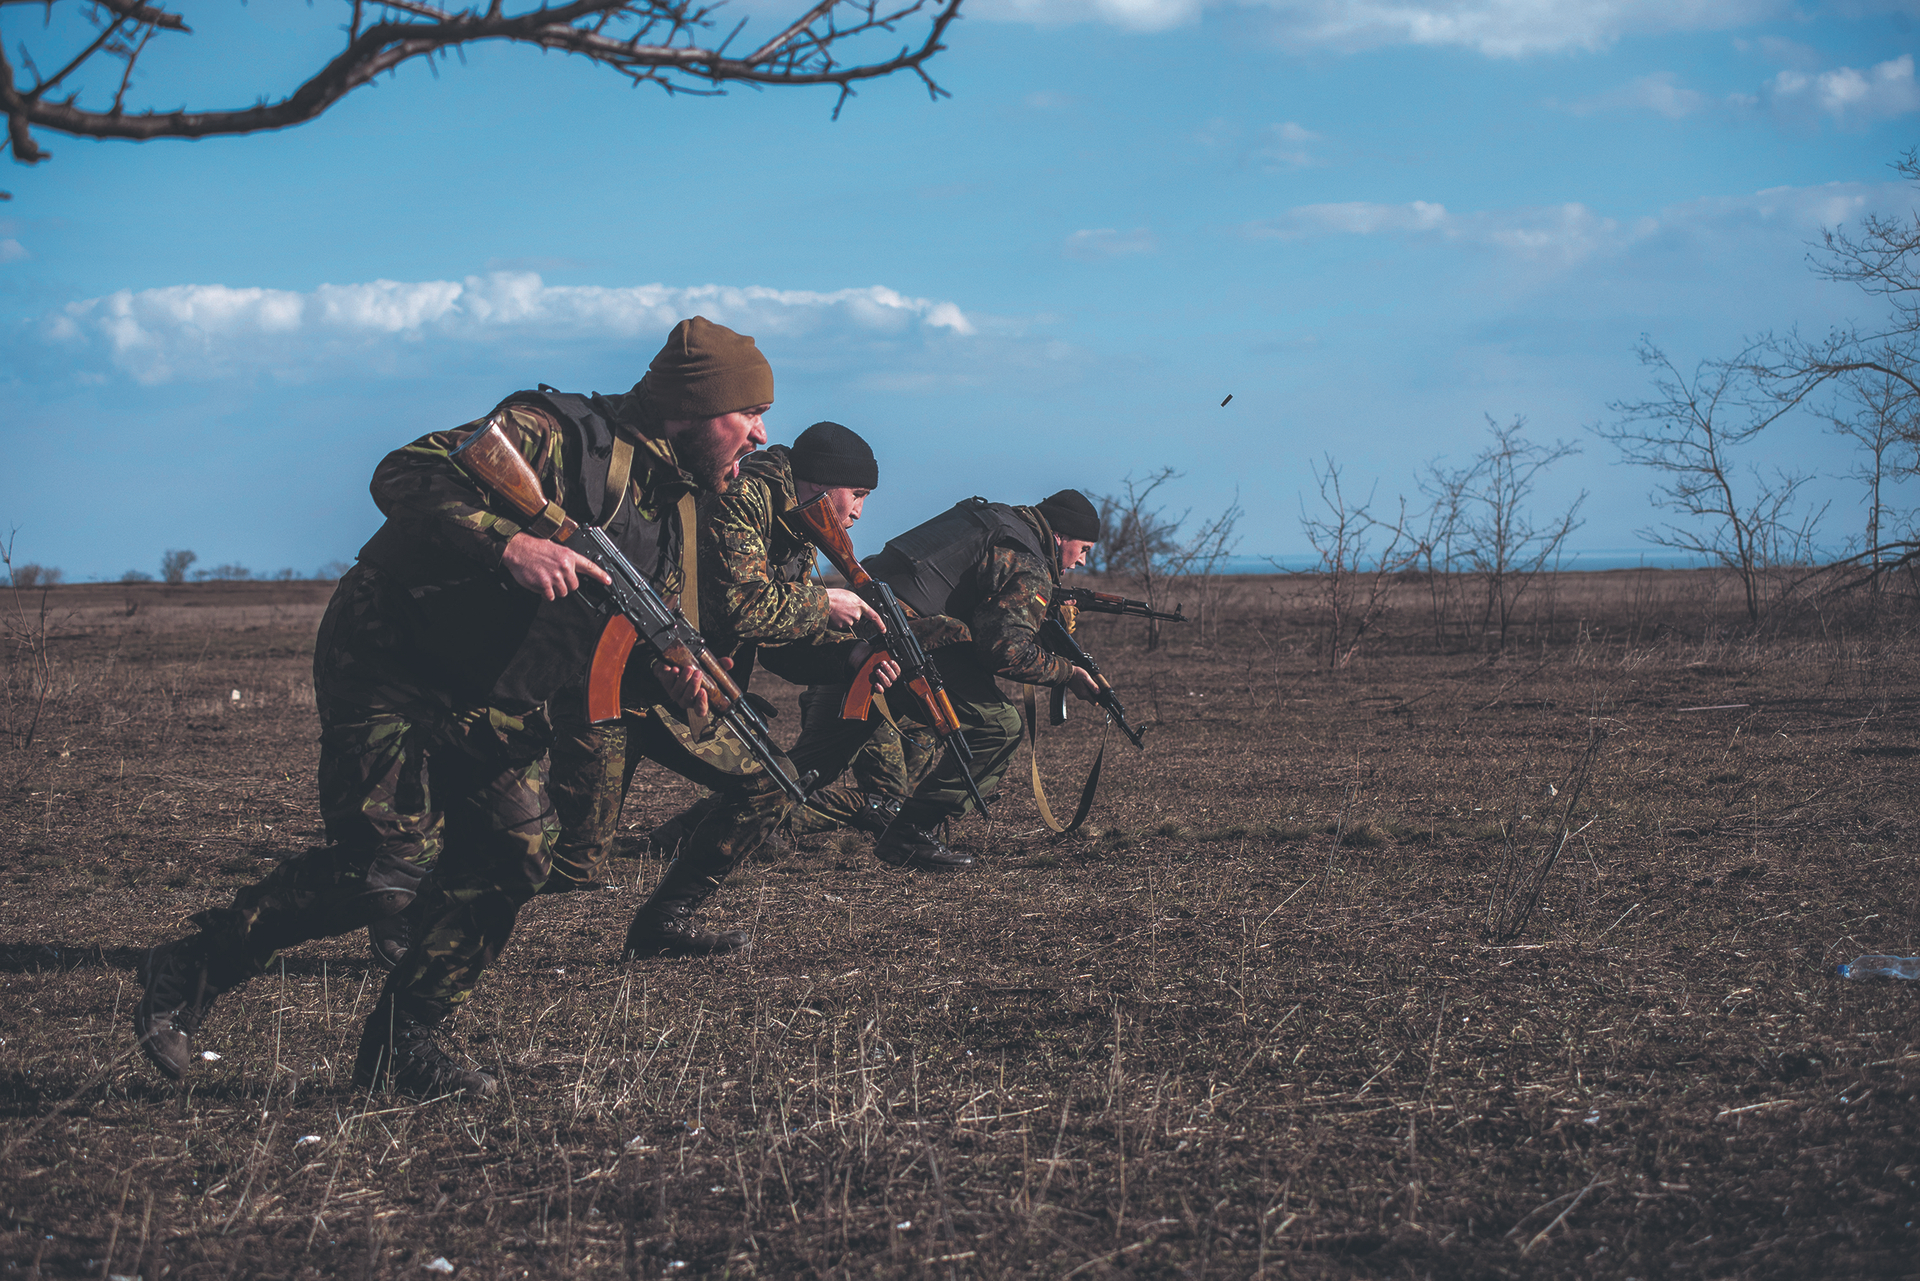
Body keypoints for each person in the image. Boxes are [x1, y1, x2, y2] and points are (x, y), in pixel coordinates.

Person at [131, 316, 803, 1097]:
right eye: (748, 413)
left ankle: (404, 1044)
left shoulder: (674, 507)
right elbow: (404, 470)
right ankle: (189, 967)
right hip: (391, 651)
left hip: (492, 685)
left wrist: (674, 678)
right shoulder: (556, 432)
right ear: (695, 403)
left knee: (516, 847)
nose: (759, 435)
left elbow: (619, 636)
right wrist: (508, 543)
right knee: (380, 867)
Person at [544, 422, 929, 924]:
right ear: (817, 484)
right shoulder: (742, 498)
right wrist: (824, 602)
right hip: (615, 684)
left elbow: (775, 647)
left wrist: (849, 657)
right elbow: (740, 607)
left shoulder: (794, 526)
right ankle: (418, 906)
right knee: (573, 862)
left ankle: (666, 921)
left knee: (770, 783)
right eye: (855, 494)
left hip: (686, 687)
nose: (858, 511)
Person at [805, 489, 1106, 870]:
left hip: (858, 637)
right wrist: (1069, 672)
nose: (1081, 560)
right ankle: (909, 833)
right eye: (1084, 548)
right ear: (1061, 536)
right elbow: (1003, 650)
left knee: (805, 769)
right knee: (999, 725)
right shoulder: (1027, 558)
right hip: (902, 649)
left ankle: (715, 819)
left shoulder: (992, 519)